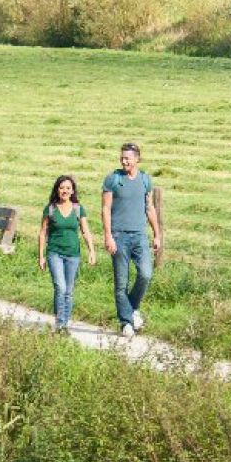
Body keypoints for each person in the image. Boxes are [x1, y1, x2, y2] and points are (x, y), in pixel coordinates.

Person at [102, 142, 162, 337]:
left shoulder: (145, 180)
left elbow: (150, 208)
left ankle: (131, 308)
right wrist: (108, 236)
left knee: (145, 274)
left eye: (127, 158)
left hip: (139, 236)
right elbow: (105, 209)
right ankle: (126, 322)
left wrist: (156, 234)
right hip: (119, 236)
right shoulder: (113, 179)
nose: (124, 161)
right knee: (121, 282)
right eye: (122, 158)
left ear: (137, 159)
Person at [38, 175, 97, 334]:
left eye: (68, 188)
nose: (65, 191)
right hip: (54, 253)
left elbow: (86, 231)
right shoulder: (50, 208)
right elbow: (43, 233)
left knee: (69, 291)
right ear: (57, 189)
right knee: (60, 287)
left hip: (73, 255)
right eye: (62, 187)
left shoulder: (78, 209)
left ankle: (63, 324)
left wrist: (91, 251)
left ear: (72, 191)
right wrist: (41, 256)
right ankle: (60, 325)